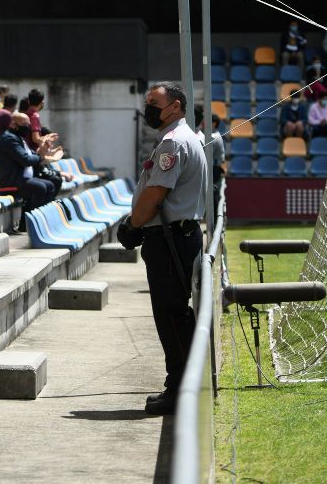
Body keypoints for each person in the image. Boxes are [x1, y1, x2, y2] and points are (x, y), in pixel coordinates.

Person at [116, 82, 206, 416]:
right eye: (147, 102)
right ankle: (186, 385)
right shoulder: (183, 139)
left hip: (169, 241)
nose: (148, 107)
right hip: (175, 237)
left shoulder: (173, 143)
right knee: (177, 315)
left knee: (171, 316)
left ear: (177, 106)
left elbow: (155, 195)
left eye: (155, 102)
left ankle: (179, 390)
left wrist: (132, 225)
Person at [0, 111, 59, 234]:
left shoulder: (18, 138)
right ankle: (27, 224)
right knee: (40, 188)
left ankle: (38, 221)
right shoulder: (9, 139)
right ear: (13, 124)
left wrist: (42, 150)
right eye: (24, 123)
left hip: (19, 178)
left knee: (50, 184)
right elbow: (26, 160)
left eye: (28, 124)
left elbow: (32, 155)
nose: (28, 127)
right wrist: (41, 156)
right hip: (8, 181)